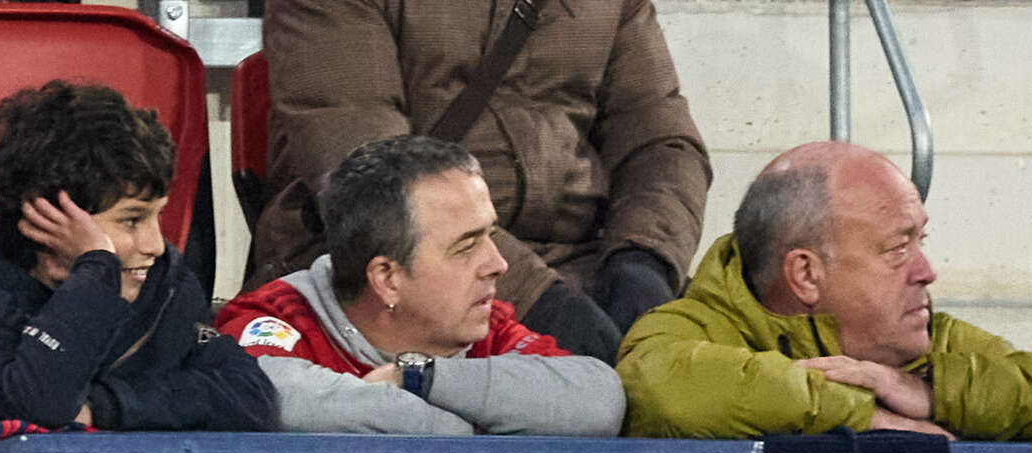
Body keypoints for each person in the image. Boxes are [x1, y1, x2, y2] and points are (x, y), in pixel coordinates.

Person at [247, 0, 712, 361]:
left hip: (584, 267)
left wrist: (643, 263)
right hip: (397, 265)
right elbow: (368, 176)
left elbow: (661, 142)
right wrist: (543, 302)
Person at [616, 141, 1032, 440]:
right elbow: (657, 391)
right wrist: (864, 417)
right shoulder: (693, 328)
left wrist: (929, 393)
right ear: (805, 274)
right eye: (897, 249)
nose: (927, 271)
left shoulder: (927, 348)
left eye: (921, 241)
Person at [216, 135, 625, 436]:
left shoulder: (486, 329)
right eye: (466, 247)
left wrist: (416, 378)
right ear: (387, 279)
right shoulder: (280, 317)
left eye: (490, 236)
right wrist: (462, 430)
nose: (498, 265)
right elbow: (260, 391)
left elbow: (599, 399)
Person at [0, 81, 276, 431]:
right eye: (132, 220)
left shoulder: (168, 286)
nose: (155, 245)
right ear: (51, 214)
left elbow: (252, 398)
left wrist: (104, 406)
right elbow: (31, 407)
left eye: (157, 216)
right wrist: (95, 275)